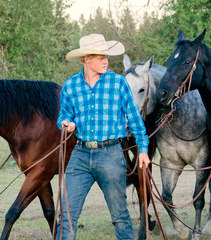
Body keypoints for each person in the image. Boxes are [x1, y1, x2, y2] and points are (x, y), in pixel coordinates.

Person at [55, 33, 151, 240]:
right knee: (66, 216)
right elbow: (65, 114)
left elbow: (135, 119)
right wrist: (65, 123)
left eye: (106, 56)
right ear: (85, 59)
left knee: (120, 216)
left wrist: (143, 149)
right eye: (100, 57)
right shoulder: (70, 86)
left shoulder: (118, 83)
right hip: (80, 155)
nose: (106, 61)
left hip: (110, 154)